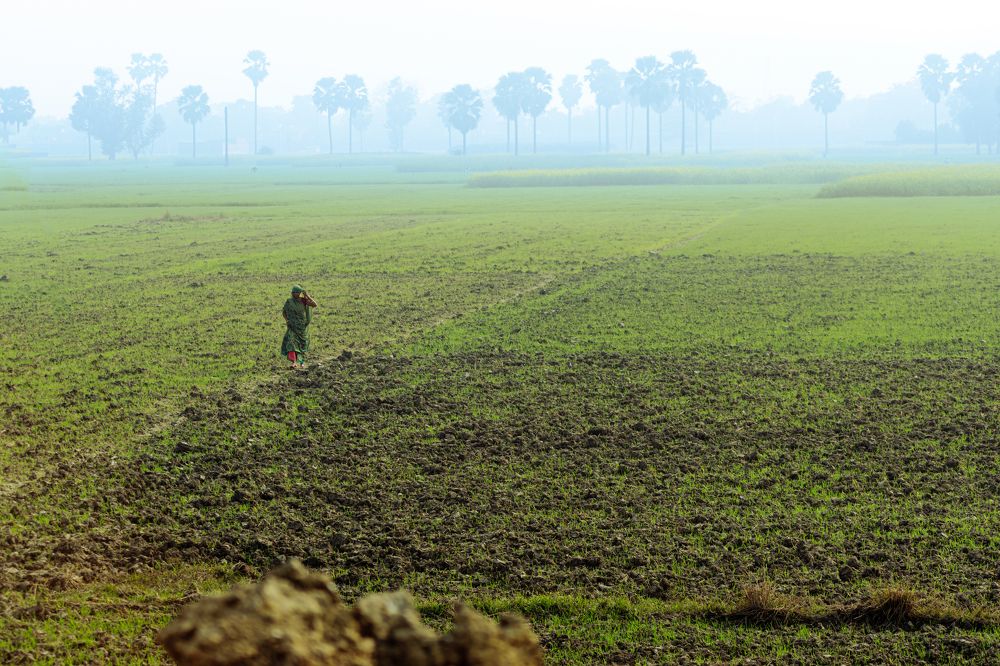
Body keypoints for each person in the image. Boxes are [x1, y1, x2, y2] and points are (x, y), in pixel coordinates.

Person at [281, 285, 317, 369]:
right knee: (292, 342)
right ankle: (294, 362)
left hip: (301, 326)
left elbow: (315, 305)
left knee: (301, 345)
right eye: (292, 292)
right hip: (292, 326)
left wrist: (307, 296)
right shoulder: (289, 302)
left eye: (296, 292)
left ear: (300, 293)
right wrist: (287, 320)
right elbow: (284, 312)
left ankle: (301, 362)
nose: (294, 294)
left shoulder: (304, 301)